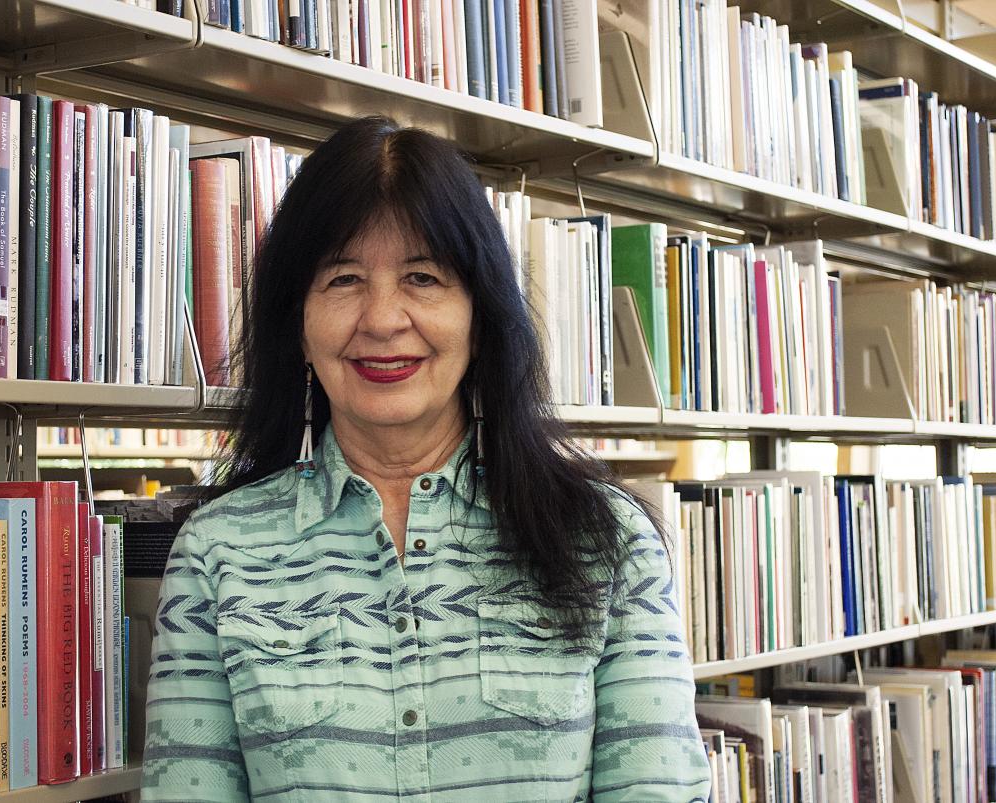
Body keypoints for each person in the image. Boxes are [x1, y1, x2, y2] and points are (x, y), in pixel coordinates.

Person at [141, 117, 711, 802]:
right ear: (298, 320)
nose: (382, 318)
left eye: (423, 276)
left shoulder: (607, 541)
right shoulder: (216, 554)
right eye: (343, 278)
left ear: (481, 312)